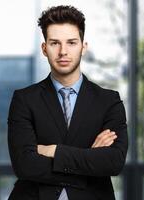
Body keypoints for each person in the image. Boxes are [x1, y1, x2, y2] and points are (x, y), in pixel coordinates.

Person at [7, 5, 128, 200]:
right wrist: (88, 161)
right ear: (44, 48)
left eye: (71, 42)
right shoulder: (24, 99)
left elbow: (113, 162)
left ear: (83, 47)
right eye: (55, 43)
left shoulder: (108, 101)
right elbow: (24, 165)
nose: (63, 51)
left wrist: (52, 151)